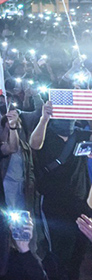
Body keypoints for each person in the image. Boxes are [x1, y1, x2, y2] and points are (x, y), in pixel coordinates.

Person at [29, 101, 90, 280]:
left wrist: (88, 113)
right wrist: (44, 119)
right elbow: (34, 144)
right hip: (53, 203)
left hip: (80, 201)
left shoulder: (81, 135)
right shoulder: (45, 133)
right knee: (58, 249)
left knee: (80, 246)